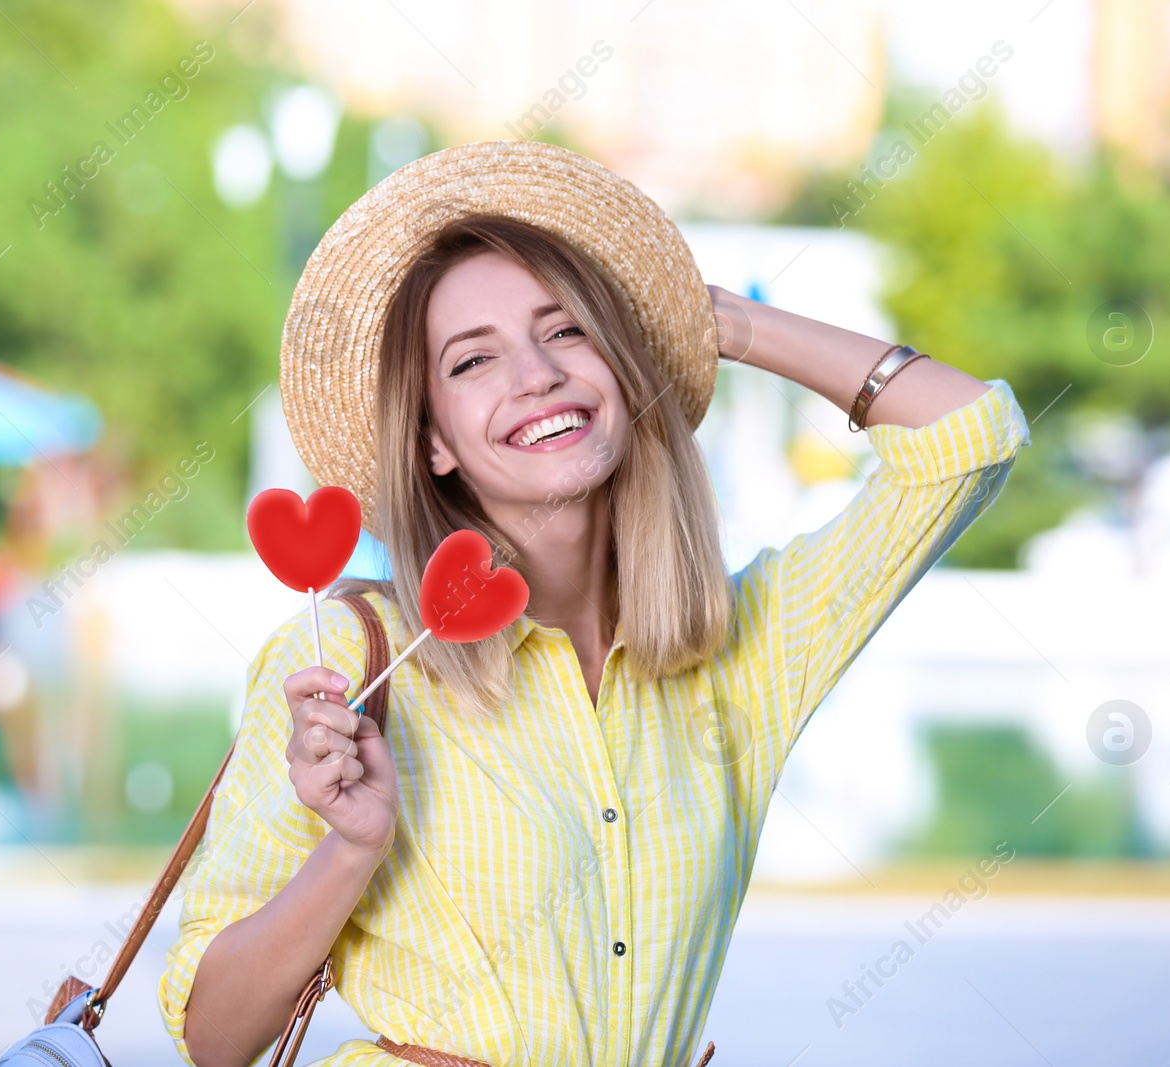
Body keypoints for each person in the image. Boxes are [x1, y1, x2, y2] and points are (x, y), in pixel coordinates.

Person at [160, 140, 1029, 1067]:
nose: (535, 374)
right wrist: (349, 848)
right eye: (471, 362)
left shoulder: (739, 656)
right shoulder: (351, 657)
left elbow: (968, 436)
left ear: (620, 366)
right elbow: (215, 1041)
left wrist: (725, 328)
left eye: (567, 329)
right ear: (435, 444)